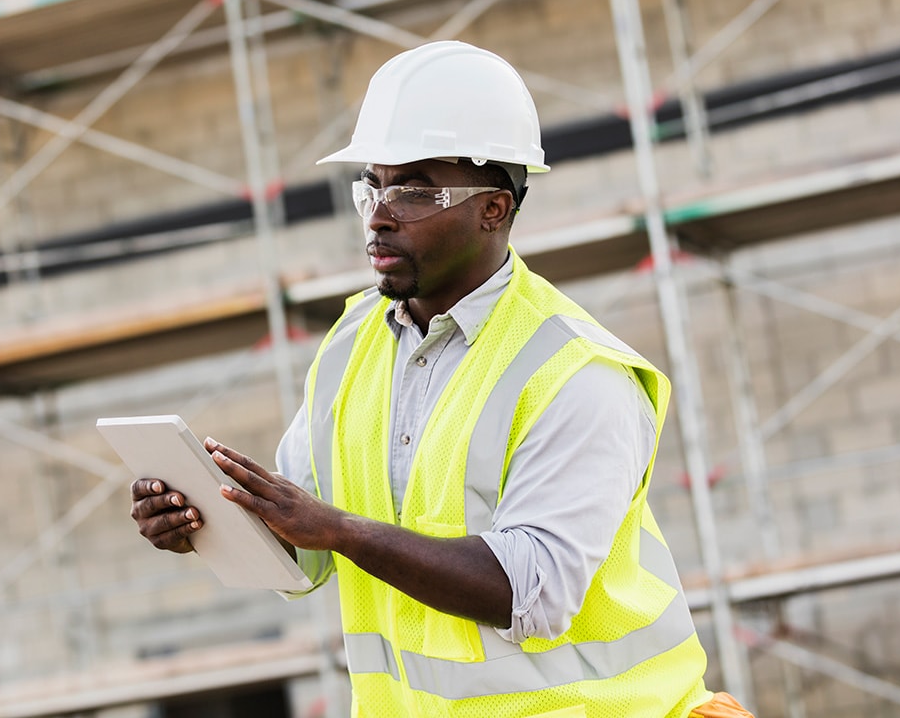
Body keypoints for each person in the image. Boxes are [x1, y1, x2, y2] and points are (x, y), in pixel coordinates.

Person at [131, 41, 752, 717]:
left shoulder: (577, 371)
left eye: (416, 189)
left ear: (494, 208)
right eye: (372, 184)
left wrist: (341, 531)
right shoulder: (349, 345)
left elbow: (530, 593)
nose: (379, 213)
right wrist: (212, 520)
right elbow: (308, 553)